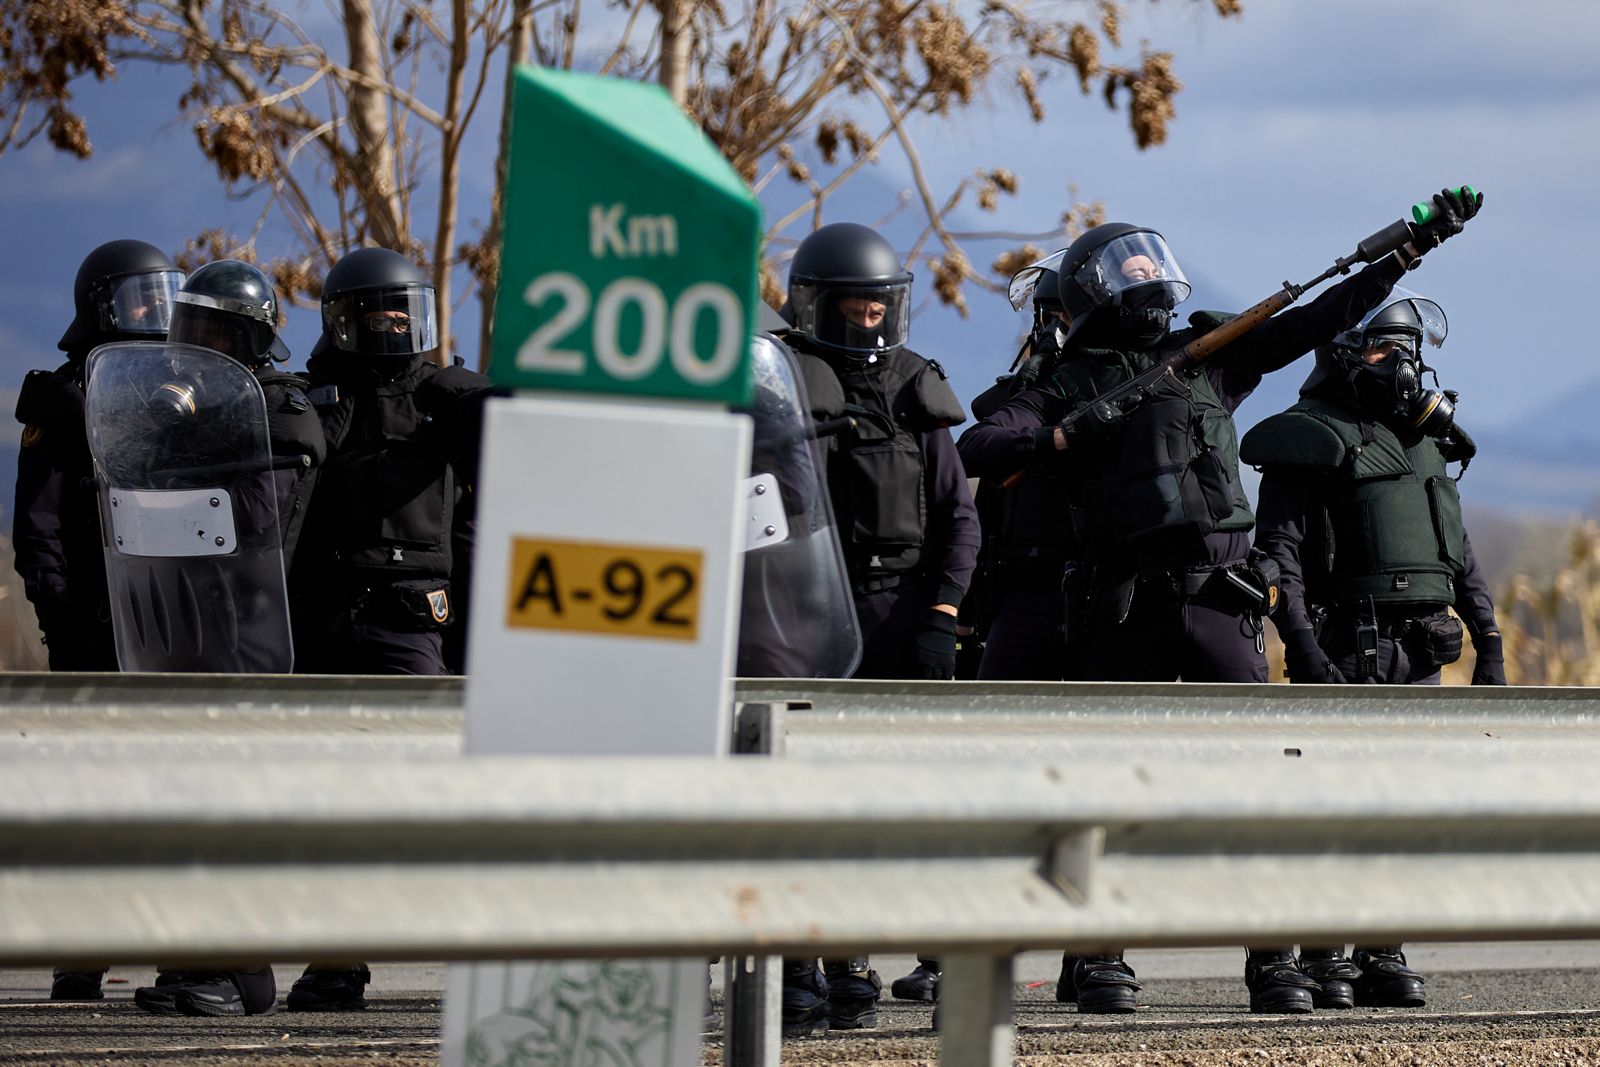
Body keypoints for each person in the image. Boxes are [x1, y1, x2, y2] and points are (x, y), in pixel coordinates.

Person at [956, 187, 1482, 1013]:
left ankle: (1273, 961)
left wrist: (1407, 253)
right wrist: (1062, 433)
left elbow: (1311, 319)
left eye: (1148, 264)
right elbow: (977, 444)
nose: (1144, 277)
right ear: (1098, 288)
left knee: (1260, 788)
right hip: (1122, 608)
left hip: (1220, 602)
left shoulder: (1208, 357)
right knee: (1106, 789)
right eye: (1126, 268)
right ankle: (1098, 958)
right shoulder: (1063, 382)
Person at [1240, 286, 1503, 1009]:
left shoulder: (1425, 439)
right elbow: (1279, 560)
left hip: (1422, 656)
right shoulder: (1309, 434)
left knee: (1400, 810)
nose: (1403, 364)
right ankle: (1322, 955)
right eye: (1388, 348)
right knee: (1328, 809)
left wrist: (1492, 642)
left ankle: (1381, 946)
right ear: (1347, 353)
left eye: (1411, 349)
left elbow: (1460, 551)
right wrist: (1305, 652)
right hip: (1344, 645)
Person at [775, 222, 980, 1036]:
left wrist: (942, 616)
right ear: (814, 306)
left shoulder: (913, 386)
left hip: (902, 616)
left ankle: (851, 956)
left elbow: (959, 517)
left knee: (880, 801)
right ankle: (795, 963)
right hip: (802, 615)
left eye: (876, 310)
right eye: (849, 309)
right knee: (800, 800)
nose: (865, 323)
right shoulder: (776, 377)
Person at [126, 258, 324, 1016]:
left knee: (227, 803)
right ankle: (191, 961)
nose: (194, 345)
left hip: (246, 634)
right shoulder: (178, 405)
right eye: (189, 328)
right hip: (175, 625)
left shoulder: (283, 412)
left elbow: (249, 513)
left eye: (212, 332)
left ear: (249, 338)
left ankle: (239, 966)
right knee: (179, 802)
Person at [289, 246, 489, 678]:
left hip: (410, 612)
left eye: (405, 320)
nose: (396, 330)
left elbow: (498, 421)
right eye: (383, 321)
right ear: (345, 320)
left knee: (420, 728)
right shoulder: (306, 399)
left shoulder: (443, 394)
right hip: (318, 607)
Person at [14, 239, 185, 680]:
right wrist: (59, 616)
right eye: (141, 299)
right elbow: (38, 525)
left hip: (186, 608)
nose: (155, 309)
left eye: (161, 296)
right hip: (97, 610)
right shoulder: (65, 398)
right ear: (104, 306)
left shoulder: (189, 385)